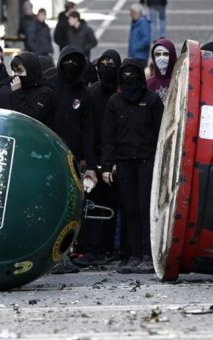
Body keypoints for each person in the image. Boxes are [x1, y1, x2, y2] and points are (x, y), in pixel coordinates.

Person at [102, 58, 164, 274]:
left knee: (145, 207)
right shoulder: (114, 102)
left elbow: (161, 134)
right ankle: (132, 254)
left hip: (147, 160)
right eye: (125, 75)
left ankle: (148, 254)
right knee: (128, 209)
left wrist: (161, 161)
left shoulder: (153, 101)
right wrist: (107, 166)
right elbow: (108, 136)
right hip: (124, 161)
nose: (129, 79)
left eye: (133, 74)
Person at [48, 46, 99, 274]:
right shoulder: (50, 88)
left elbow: (89, 130)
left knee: (72, 209)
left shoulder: (83, 93)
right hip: (51, 158)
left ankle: (66, 254)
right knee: (54, 208)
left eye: (75, 62)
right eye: (67, 62)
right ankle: (51, 257)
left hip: (74, 160)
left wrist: (88, 161)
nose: (71, 67)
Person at [73, 49, 123, 268]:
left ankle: (114, 247)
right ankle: (95, 249)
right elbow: (89, 129)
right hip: (96, 158)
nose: (106, 67)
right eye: (103, 63)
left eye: (111, 63)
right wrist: (91, 161)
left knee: (116, 205)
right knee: (96, 205)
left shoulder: (123, 94)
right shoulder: (92, 93)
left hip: (117, 159)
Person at [0, 52, 55, 127]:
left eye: (20, 71)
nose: (16, 75)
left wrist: (17, 93)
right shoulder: (14, 86)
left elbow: (30, 119)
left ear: (30, 70)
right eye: (14, 71)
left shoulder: (45, 92)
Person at [147, 38, 176, 105]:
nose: (161, 58)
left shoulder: (181, 81)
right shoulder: (148, 84)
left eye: (165, 54)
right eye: (158, 54)